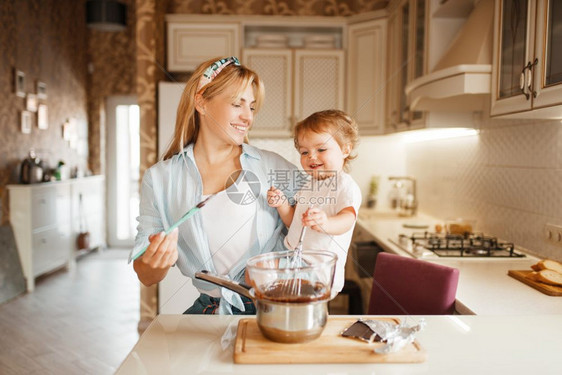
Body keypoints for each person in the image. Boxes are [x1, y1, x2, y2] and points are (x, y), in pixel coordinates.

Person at [132, 56, 298, 314]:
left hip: (274, 309)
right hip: (208, 311)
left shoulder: (274, 167)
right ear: (201, 102)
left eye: (252, 107)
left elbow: (320, 226)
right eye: (237, 104)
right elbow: (147, 276)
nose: (247, 117)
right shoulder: (160, 179)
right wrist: (157, 260)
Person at [267, 110, 362, 297]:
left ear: (345, 150)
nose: (311, 156)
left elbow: (347, 219)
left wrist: (326, 223)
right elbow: (292, 222)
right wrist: (282, 204)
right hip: (295, 261)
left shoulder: (345, 186)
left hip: (320, 270)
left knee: (309, 312)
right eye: (304, 152)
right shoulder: (309, 184)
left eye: (321, 149)